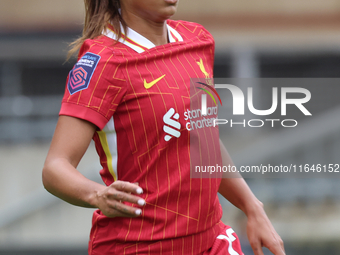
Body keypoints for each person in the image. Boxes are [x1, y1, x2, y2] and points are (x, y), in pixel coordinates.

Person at [42, 0, 285, 254]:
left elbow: (203, 139)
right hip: (137, 246)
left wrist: (252, 207)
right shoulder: (103, 62)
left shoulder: (197, 40)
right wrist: (97, 195)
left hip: (210, 241)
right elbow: (55, 168)